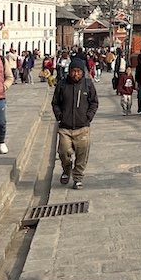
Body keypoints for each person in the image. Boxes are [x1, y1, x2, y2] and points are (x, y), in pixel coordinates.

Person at [51, 57, 99, 190]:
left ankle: (77, 177)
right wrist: (60, 116)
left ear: (82, 72)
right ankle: (67, 169)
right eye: (73, 71)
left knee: (82, 154)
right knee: (63, 151)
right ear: (69, 71)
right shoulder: (62, 84)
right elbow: (55, 103)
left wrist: (88, 117)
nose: (76, 74)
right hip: (65, 128)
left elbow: (94, 102)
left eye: (78, 71)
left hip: (82, 127)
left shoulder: (88, 85)